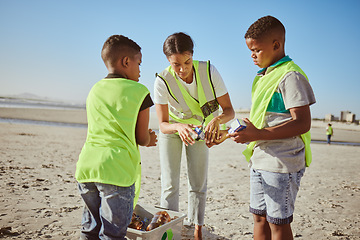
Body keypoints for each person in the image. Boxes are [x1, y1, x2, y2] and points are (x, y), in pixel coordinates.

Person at [227, 16, 316, 240]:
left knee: (278, 222)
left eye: (256, 49)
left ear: (276, 45)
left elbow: (302, 122)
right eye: (250, 50)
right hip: (261, 157)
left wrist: (256, 134)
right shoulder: (262, 76)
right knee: (259, 217)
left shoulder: (290, 75)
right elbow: (264, 118)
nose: (252, 55)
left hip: (282, 162)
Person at [75, 35, 157, 240]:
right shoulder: (139, 91)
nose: (140, 69)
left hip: (87, 168)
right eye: (139, 63)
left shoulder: (94, 89)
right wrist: (150, 139)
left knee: (89, 229)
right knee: (112, 234)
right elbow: (141, 137)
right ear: (126, 61)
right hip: (117, 171)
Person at [154, 32, 235, 240]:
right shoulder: (162, 80)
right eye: (175, 65)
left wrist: (216, 121)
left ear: (193, 55)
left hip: (200, 129)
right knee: (170, 185)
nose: (182, 69)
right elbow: (163, 125)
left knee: (198, 183)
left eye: (187, 62)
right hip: (173, 130)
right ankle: (169, 232)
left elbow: (229, 111)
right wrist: (179, 127)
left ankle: (197, 228)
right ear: (168, 61)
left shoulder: (209, 71)